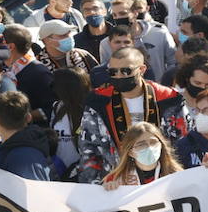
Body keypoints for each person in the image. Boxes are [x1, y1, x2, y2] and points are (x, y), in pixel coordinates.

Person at [74, 47, 188, 183]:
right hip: (115, 182)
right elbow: (88, 147)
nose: (119, 76)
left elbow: (183, 142)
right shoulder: (98, 101)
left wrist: (181, 179)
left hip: (163, 180)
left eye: (125, 71)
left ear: (142, 69)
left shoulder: (169, 99)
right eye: (113, 72)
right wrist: (96, 184)